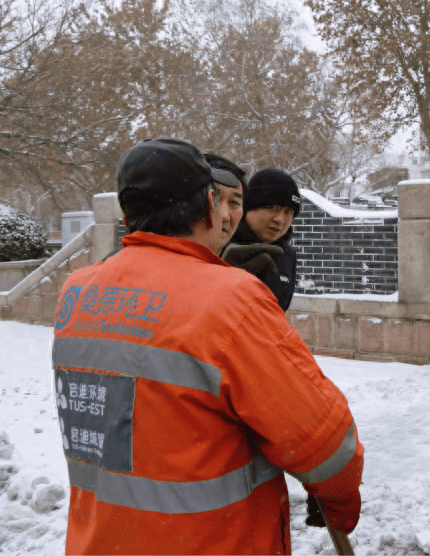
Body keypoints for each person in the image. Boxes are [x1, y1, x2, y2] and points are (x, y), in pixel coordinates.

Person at [51, 138, 363, 554]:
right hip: (211, 541)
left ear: (128, 214)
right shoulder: (231, 298)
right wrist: (340, 504)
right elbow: (320, 440)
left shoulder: (78, 291)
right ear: (208, 204)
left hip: (101, 541)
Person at [226, 168, 300, 311]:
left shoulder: (287, 254)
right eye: (272, 208)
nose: (280, 219)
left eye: (289, 212)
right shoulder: (221, 243)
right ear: (248, 208)